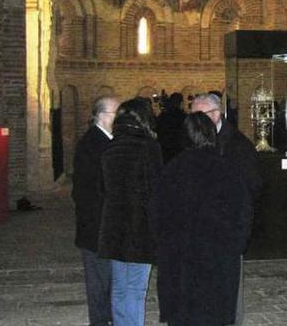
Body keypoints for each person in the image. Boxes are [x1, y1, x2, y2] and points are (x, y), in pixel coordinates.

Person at [154, 112, 252, 326]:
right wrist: (235, 247)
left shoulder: (170, 171)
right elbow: (243, 214)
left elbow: (156, 216)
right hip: (217, 259)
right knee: (213, 315)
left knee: (182, 316)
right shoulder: (227, 170)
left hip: (179, 262)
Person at [190, 93, 262, 326]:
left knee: (228, 290)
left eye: (199, 116)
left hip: (227, 231)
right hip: (202, 231)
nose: (194, 122)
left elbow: (251, 188)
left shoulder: (237, 146)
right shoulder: (197, 140)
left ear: (216, 114)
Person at [98, 97, 163, 326]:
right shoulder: (148, 147)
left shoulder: (111, 148)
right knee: (136, 288)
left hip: (114, 225)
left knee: (119, 287)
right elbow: (155, 190)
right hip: (139, 226)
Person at [72, 95, 120, 326]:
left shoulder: (105, 141)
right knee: (98, 279)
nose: (119, 119)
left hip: (102, 224)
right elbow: (93, 189)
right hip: (96, 225)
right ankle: (100, 321)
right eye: (115, 114)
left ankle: (107, 316)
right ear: (101, 116)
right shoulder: (93, 144)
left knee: (107, 277)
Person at [155, 92, 187, 163]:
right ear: (181, 103)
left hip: (164, 151)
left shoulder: (162, 116)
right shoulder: (184, 117)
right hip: (179, 151)